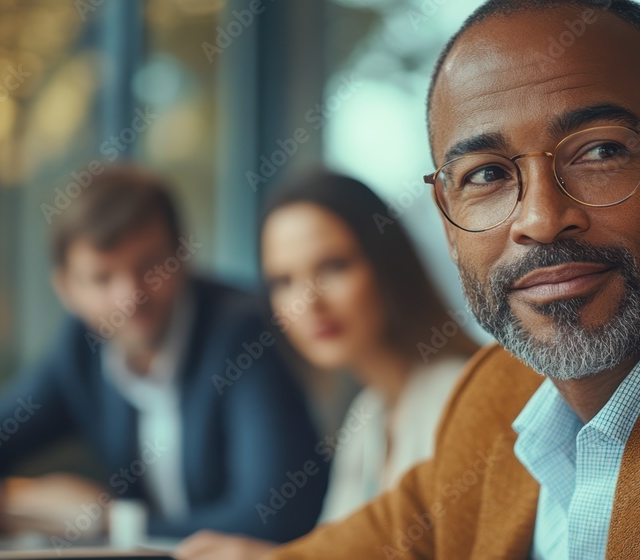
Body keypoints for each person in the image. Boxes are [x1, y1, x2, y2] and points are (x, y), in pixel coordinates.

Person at [268, 1, 640, 559]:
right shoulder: (496, 393)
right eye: (487, 175)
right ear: (449, 226)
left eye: (600, 151)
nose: (541, 220)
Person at [0, 165, 327, 541]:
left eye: (149, 266)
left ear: (181, 255)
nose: (130, 296)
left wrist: (108, 520)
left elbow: (276, 517)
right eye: (102, 278)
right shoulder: (81, 350)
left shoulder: (244, 334)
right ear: (66, 288)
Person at [175, 169, 481, 559]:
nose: (308, 303)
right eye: (283, 281)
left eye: (333, 267)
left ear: (387, 263)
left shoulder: (455, 394)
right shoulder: (367, 416)